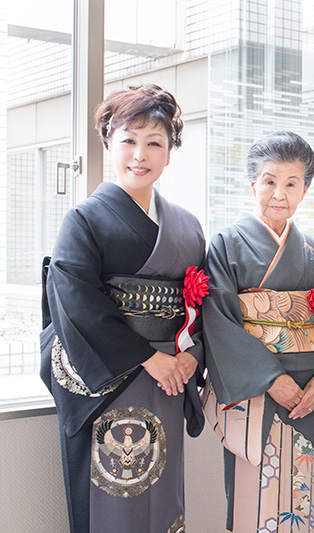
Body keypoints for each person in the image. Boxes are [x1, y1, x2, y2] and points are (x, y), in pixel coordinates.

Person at [40, 83, 206, 533]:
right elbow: (76, 301)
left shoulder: (188, 226)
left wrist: (193, 356)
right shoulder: (85, 219)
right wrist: (149, 358)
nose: (140, 153)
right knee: (115, 490)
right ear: (108, 143)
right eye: (129, 140)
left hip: (172, 375)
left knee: (162, 491)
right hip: (115, 377)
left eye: (155, 142)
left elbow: (201, 303)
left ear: (169, 153)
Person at [202, 131, 314, 533]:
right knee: (254, 498)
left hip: (307, 393)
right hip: (255, 392)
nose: (279, 194)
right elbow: (218, 320)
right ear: (253, 184)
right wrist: (270, 378)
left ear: (305, 190)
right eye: (269, 181)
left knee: (299, 499)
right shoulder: (226, 245)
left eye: (291, 184)